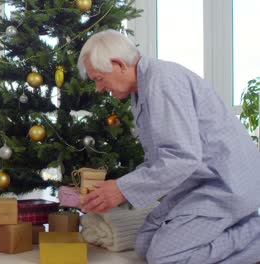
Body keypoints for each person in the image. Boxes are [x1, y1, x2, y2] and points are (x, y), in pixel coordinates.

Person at [77, 29, 260, 264]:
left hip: (226, 185)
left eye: (99, 79)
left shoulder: (162, 80)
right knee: (144, 244)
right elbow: (160, 160)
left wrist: (121, 189)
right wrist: (117, 189)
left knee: (165, 257)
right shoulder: (143, 88)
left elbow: (182, 158)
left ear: (118, 64)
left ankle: (254, 235)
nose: (99, 89)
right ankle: (237, 225)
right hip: (199, 184)